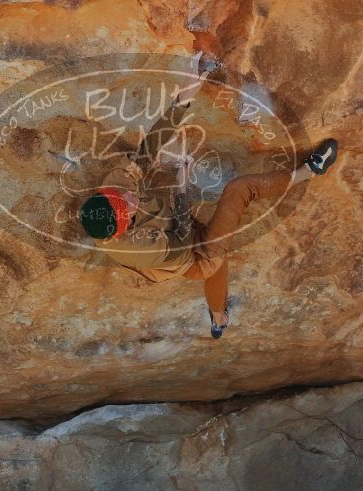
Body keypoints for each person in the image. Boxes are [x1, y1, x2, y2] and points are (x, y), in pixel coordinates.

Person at [78, 55, 339, 339]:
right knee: (237, 195)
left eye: (119, 196)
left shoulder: (115, 188)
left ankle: (218, 317)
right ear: (122, 229)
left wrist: (185, 95)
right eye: (126, 207)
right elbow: (183, 239)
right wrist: (180, 189)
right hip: (192, 255)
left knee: (220, 250)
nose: (129, 197)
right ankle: (310, 171)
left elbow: (149, 147)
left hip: (172, 240)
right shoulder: (139, 248)